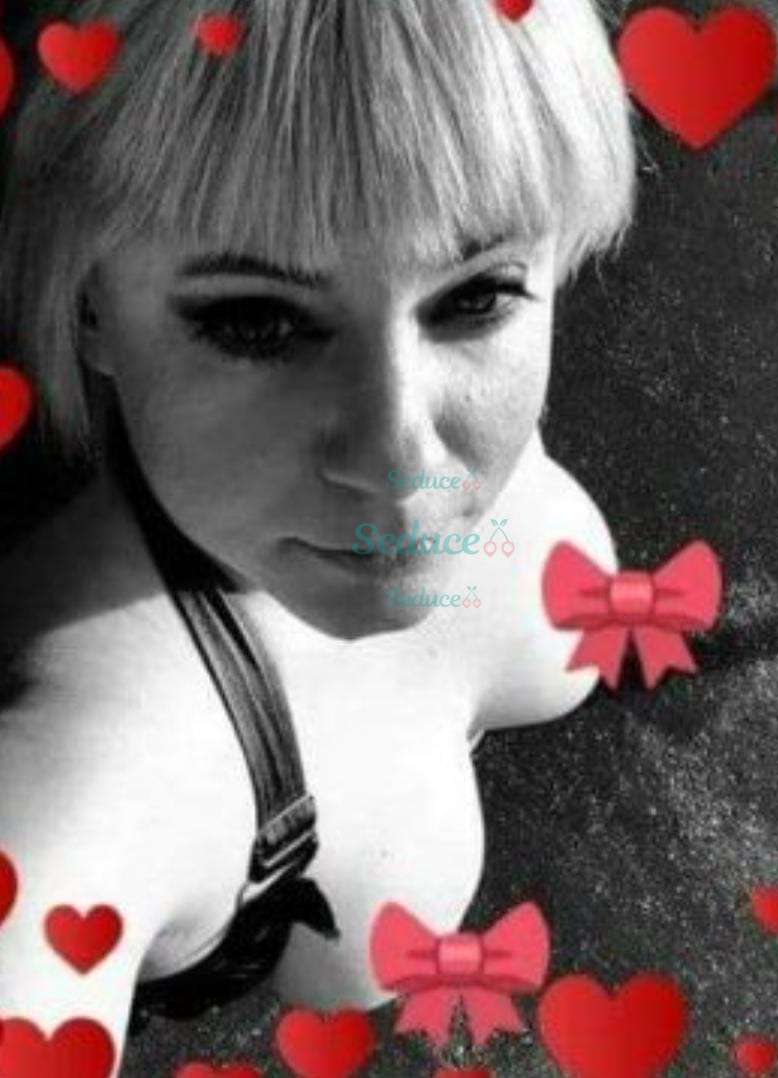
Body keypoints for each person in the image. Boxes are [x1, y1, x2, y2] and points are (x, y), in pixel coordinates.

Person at [0, 0, 636, 1068]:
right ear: (89, 304)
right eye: (256, 321)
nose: (399, 456)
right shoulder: (83, 775)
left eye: (476, 296)